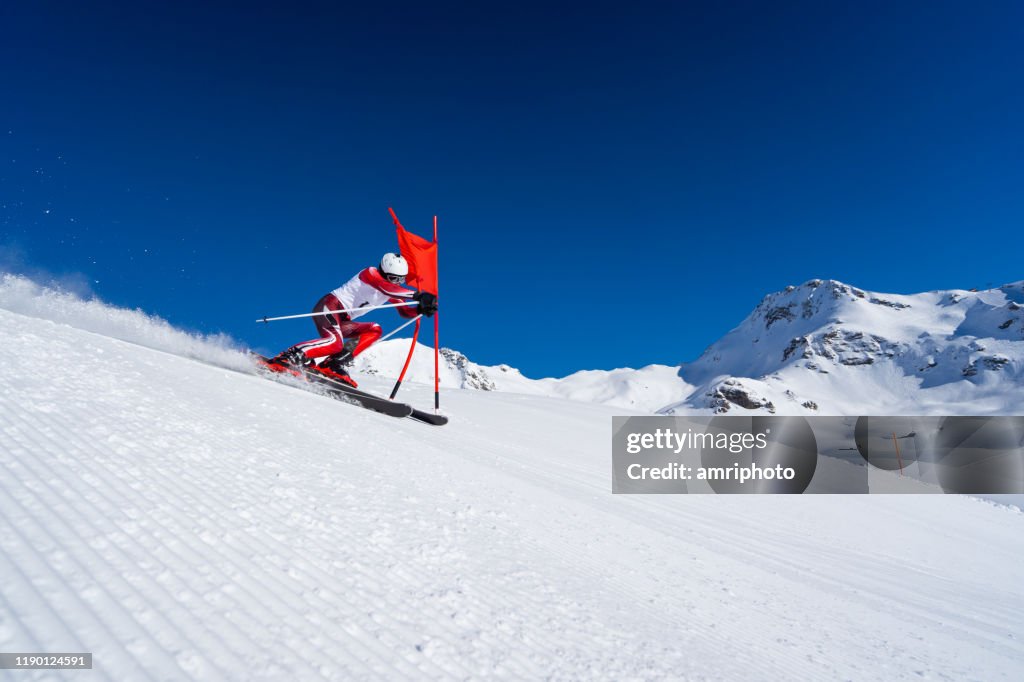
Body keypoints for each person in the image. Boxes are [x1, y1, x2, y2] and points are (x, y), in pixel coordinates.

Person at [269, 253, 438, 387]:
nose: (397, 282)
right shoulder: (371, 274)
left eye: (401, 279)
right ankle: (289, 357)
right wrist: (418, 295)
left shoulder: (390, 290)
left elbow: (404, 311)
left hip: (343, 320)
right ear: (384, 271)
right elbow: (388, 287)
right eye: (394, 278)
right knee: (334, 342)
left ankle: (333, 364)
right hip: (330, 307)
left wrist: (420, 308)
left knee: (375, 329)